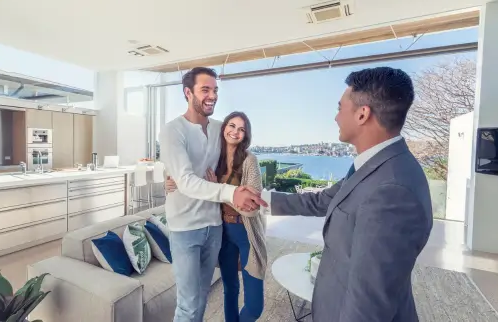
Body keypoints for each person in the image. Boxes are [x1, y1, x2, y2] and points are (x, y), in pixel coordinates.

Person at [259, 67, 433, 322]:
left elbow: (369, 302)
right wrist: (262, 200)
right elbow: (325, 201)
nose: (336, 117)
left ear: (363, 114)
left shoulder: (392, 192)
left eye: (340, 108)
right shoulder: (374, 166)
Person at [158, 67, 266, 322]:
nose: (212, 96)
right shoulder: (172, 130)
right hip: (185, 228)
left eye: (215, 90)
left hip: (215, 227)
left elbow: (238, 156)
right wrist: (171, 177)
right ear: (188, 92)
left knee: (203, 297)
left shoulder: (220, 128)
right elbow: (184, 180)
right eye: (205, 89)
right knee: (187, 304)